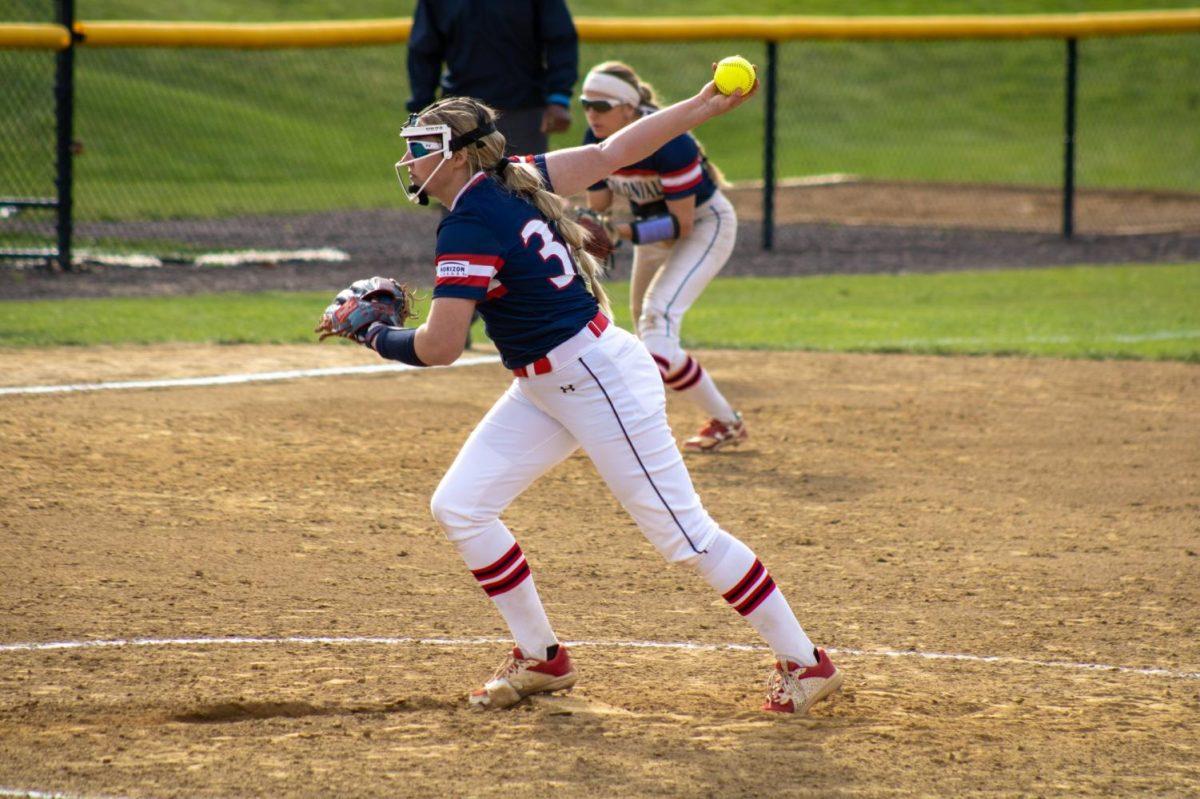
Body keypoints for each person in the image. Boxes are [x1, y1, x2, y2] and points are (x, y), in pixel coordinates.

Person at [352, 74, 843, 715]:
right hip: (550, 383)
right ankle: (542, 658)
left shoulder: (472, 219)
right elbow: (612, 154)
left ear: (462, 153)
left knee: (686, 537)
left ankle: (808, 664)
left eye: (423, 144)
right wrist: (699, 105)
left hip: (597, 380)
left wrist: (374, 334)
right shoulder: (515, 175)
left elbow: (441, 347)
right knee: (461, 507)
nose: (411, 158)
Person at [580, 61, 745, 453]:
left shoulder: (670, 141)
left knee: (658, 319)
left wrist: (619, 233)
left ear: (628, 107)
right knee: (649, 333)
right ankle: (726, 421)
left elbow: (681, 225)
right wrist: (592, 223)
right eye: (587, 104)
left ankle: (628, 423)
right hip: (649, 232)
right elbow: (600, 205)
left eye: (601, 106)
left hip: (705, 225)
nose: (591, 113)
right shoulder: (595, 137)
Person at [406, 0, 577, 157]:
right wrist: (423, 111)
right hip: (460, 115)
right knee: (462, 188)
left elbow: (560, 39)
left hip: (522, 111)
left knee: (524, 185)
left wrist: (558, 97)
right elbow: (423, 50)